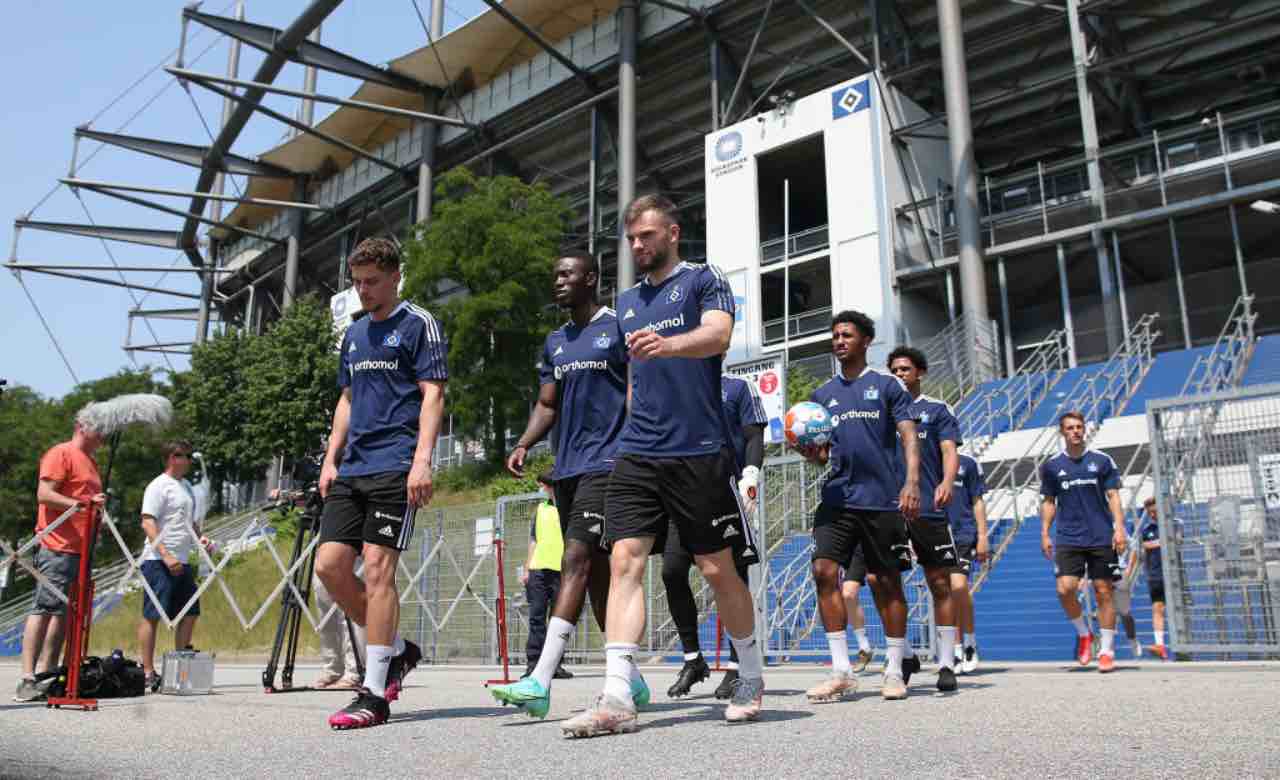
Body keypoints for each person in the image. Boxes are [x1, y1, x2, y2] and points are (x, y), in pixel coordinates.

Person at [562, 194, 765, 736]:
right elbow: (632, 379)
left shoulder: (703, 280)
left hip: (699, 449)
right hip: (638, 451)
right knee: (626, 558)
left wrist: (670, 345)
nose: (637, 246)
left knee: (716, 568)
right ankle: (616, 696)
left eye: (646, 236)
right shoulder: (627, 301)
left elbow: (719, 335)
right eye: (630, 239)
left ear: (672, 233)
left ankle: (750, 674)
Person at [488, 250, 646, 720]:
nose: (557, 281)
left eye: (566, 274)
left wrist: (638, 446)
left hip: (609, 464)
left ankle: (539, 679)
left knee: (573, 559)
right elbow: (547, 404)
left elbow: (638, 390)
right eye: (555, 274)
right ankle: (631, 679)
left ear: (590, 278)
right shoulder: (555, 341)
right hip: (567, 469)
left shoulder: (618, 327)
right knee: (597, 580)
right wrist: (523, 442)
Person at [313, 237, 448, 730]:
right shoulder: (353, 335)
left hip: (396, 462)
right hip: (353, 467)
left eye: (372, 282)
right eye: (357, 282)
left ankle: (373, 692)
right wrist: (331, 459)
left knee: (377, 569)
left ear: (395, 276)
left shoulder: (419, 325)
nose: (363, 291)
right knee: (329, 568)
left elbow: (432, 394)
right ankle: (394, 649)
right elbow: (346, 400)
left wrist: (422, 460)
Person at [796, 311, 921, 702]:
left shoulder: (887, 386)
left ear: (866, 340)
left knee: (886, 583)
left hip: (881, 501)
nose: (839, 341)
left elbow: (908, 436)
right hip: (837, 499)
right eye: (834, 336)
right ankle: (841, 671)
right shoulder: (821, 396)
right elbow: (821, 456)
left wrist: (912, 482)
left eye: (846, 335)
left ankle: (895, 667)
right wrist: (807, 450)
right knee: (822, 571)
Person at [663, 372, 767, 700]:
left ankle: (739, 666)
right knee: (672, 570)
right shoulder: (677, 385)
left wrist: (750, 475)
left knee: (732, 578)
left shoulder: (738, 387)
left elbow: (753, 437)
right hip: (684, 493)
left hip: (727, 493)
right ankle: (693, 660)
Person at [14, 409, 106, 702]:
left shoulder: (91, 463)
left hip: (81, 549)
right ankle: (28, 677)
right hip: (57, 545)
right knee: (45, 608)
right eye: (99, 429)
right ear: (82, 426)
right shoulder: (61, 454)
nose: (103, 436)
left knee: (64, 615)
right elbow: (45, 494)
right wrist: (82, 504)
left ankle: (49, 673)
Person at [885, 346, 961, 691]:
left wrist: (946, 481)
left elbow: (949, 451)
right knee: (884, 582)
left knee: (940, 583)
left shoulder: (936, 410)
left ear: (919, 373)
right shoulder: (882, 411)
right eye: (895, 370)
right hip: (888, 509)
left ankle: (946, 663)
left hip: (928, 507)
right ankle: (907, 653)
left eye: (905, 369)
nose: (900, 374)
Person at [1039, 411, 1127, 673]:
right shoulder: (1052, 466)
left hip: (1100, 536)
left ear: (1084, 430)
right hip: (1068, 537)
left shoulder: (1102, 461)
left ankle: (1107, 650)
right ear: (1062, 432)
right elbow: (1048, 501)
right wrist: (1045, 532)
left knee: (1103, 591)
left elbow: (1113, 496)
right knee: (1064, 589)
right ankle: (1084, 634)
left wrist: (1119, 528)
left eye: (1079, 427)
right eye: (1070, 428)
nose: (1075, 431)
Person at [136, 440, 212, 691]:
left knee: (190, 612)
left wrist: (200, 540)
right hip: (158, 560)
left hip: (183, 559)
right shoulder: (158, 486)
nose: (189, 460)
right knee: (152, 615)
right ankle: (147, 670)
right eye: (184, 456)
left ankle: (180, 665)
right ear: (171, 458)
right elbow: (148, 522)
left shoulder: (187, 486)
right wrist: (165, 554)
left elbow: (190, 522)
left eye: (190, 456)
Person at [523, 473, 571, 681]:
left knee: (558, 620)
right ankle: (533, 664)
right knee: (536, 618)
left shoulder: (568, 508)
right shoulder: (541, 509)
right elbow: (534, 540)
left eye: (545, 485)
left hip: (562, 569)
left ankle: (555, 665)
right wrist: (527, 568)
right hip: (538, 570)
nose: (543, 488)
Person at [946, 453, 989, 674]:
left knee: (959, 587)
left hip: (963, 534)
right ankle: (954, 649)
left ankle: (970, 642)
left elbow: (977, 500)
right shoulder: (925, 459)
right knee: (946, 595)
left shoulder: (968, 463)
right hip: (936, 534)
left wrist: (982, 536)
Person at [312, 560, 366, 690]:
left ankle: (354, 671)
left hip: (352, 548)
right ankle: (333, 669)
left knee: (350, 608)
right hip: (322, 546)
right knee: (324, 609)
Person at [1140, 497, 1168, 659]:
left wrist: (1156, 543)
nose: (1152, 514)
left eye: (1155, 511)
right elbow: (1146, 545)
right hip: (1156, 574)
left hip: (1174, 573)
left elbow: (1176, 540)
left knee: (1180, 608)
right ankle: (1160, 645)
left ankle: (1185, 649)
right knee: (1157, 608)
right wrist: (1162, 542)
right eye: (1149, 512)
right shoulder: (1146, 529)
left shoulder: (1174, 523)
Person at [840, 547, 875, 672]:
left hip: (880, 534)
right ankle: (864, 647)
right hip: (855, 543)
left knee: (885, 588)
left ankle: (903, 652)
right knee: (848, 594)